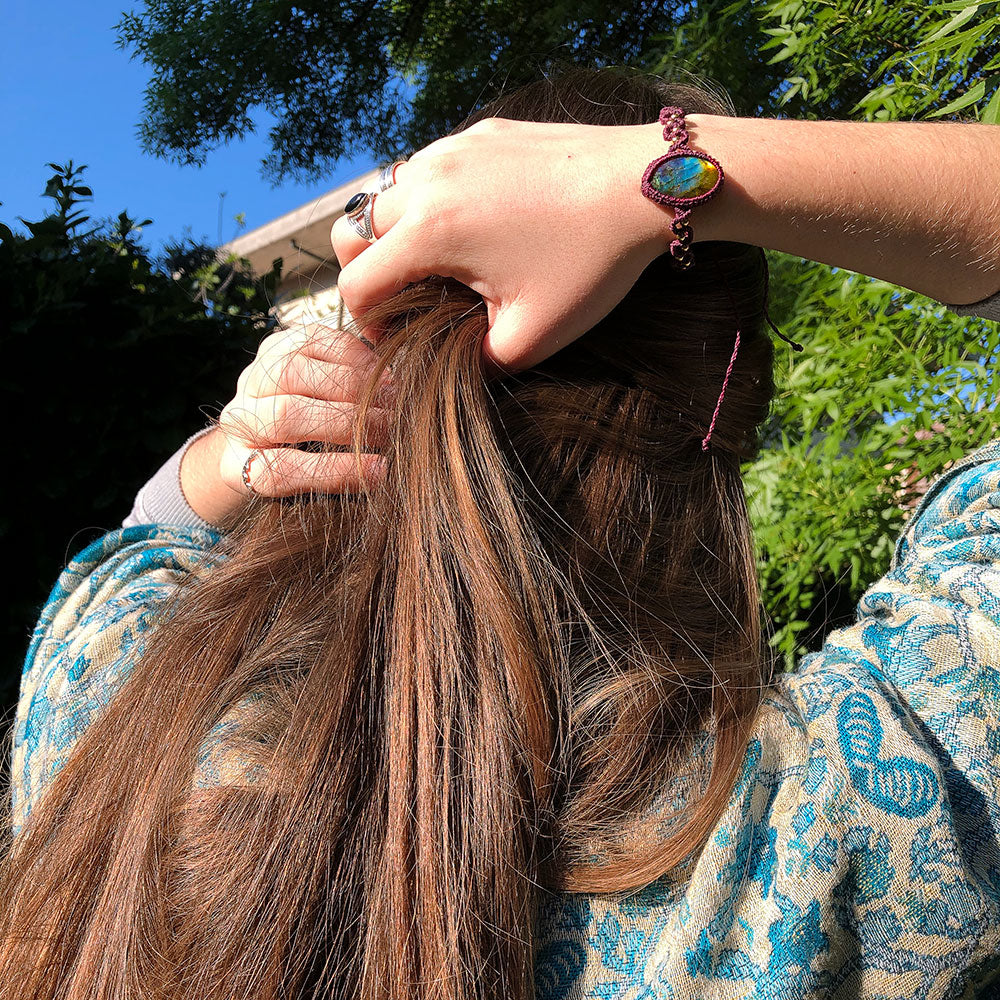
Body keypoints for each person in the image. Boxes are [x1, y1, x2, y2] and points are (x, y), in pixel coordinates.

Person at [3, 66, 999, 999]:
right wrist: (672, 172)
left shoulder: (117, 699)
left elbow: (146, 532)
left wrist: (245, 436)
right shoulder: (839, 812)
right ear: (730, 405)